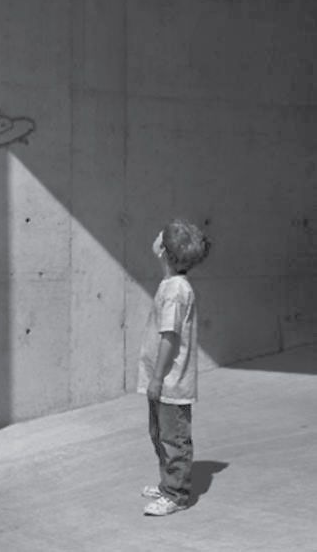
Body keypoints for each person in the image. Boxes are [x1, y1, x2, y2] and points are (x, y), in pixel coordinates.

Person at [137, 218, 211, 516]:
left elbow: (170, 337)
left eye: (160, 236)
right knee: (159, 435)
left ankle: (177, 495)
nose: (155, 238)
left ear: (165, 251)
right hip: (162, 381)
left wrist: (156, 379)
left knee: (174, 438)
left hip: (170, 382)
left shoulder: (176, 291)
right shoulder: (170, 285)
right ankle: (168, 483)